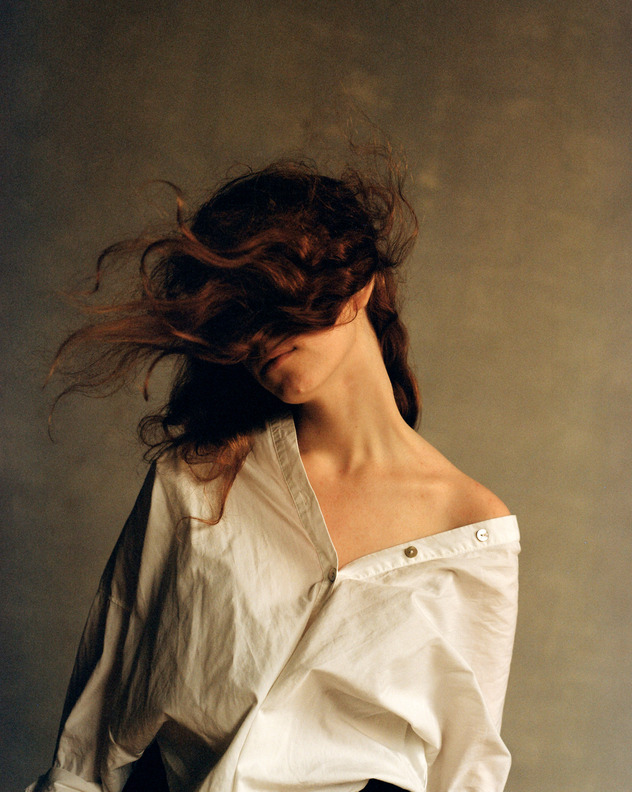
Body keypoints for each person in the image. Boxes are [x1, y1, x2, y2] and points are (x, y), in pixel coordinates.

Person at [28, 158, 520, 792]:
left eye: (280, 296)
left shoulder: (473, 532)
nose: (259, 334)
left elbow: (466, 771)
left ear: (360, 280)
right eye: (235, 314)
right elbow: (91, 735)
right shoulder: (200, 482)